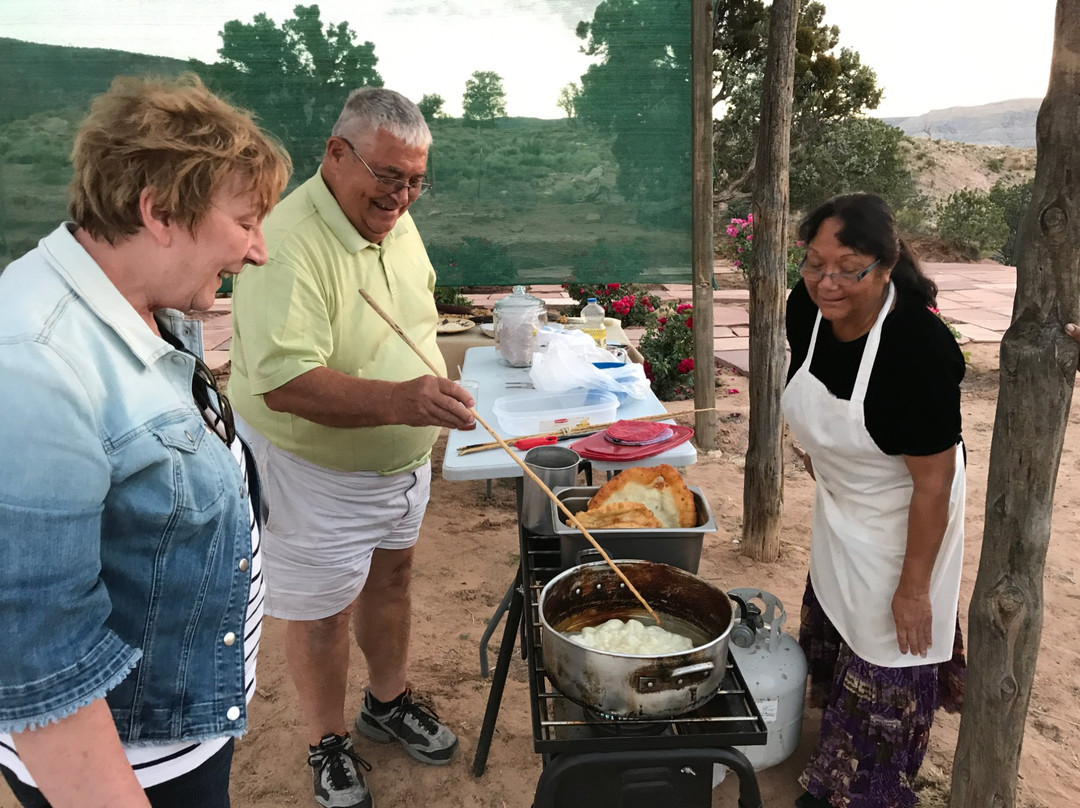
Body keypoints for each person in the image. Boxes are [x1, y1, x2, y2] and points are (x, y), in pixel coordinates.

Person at [0, 74, 290, 808]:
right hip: (133, 763)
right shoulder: (34, 364)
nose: (258, 251)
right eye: (246, 220)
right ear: (160, 212)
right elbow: (38, 663)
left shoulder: (138, 301)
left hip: (175, 724)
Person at [227, 87, 475, 808]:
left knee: (392, 581)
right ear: (337, 154)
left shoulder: (392, 223)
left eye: (415, 181)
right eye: (389, 176)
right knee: (321, 611)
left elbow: (417, 321)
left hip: (397, 465)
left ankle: (387, 703)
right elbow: (283, 383)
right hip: (311, 469)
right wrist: (404, 400)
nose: (401, 196)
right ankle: (325, 740)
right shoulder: (288, 242)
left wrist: (430, 393)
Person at [780, 193, 967, 808]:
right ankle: (837, 726)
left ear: (885, 266)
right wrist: (821, 455)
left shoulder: (918, 346)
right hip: (844, 495)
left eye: (847, 268)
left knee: (893, 633)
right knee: (840, 604)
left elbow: (933, 484)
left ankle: (867, 785)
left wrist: (916, 586)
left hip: (906, 510)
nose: (825, 284)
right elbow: (814, 395)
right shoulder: (803, 312)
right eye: (813, 263)